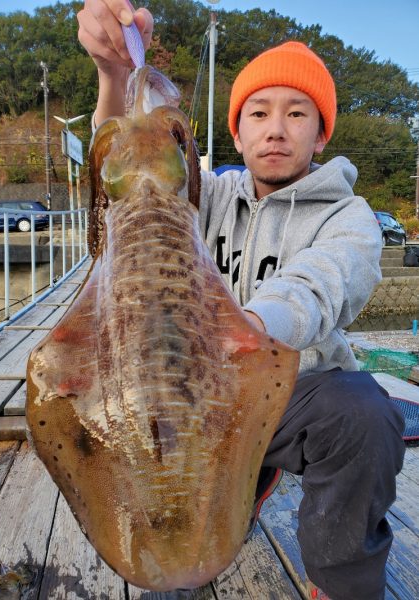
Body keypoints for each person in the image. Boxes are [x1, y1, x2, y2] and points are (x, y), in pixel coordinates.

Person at [77, 2, 406, 599]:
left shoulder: (350, 217)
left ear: (321, 131)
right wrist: (113, 76)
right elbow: (125, 178)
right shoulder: (205, 194)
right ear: (236, 130)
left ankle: (342, 583)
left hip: (294, 394)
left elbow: (319, 286)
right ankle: (229, 491)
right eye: (259, 112)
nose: (276, 128)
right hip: (197, 400)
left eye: (296, 113)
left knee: (364, 410)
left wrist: (244, 326)